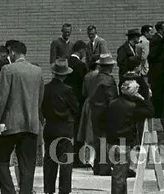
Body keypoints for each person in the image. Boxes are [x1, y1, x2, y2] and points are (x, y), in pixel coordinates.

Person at [0, 41, 44, 194]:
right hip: (31, 124)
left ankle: (8, 191)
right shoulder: (37, 71)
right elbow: (39, 99)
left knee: (1, 160)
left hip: (11, 124)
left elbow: (1, 100)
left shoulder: (7, 70)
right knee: (27, 165)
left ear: (13, 52)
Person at [107, 78, 154, 194]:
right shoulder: (133, 108)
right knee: (120, 177)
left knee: (118, 175)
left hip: (111, 142)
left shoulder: (112, 104)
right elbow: (150, 111)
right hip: (124, 143)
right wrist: (142, 99)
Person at [41, 58, 79, 194]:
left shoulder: (45, 88)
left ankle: (48, 189)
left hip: (50, 126)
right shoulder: (67, 90)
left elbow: (41, 108)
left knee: (49, 160)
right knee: (65, 161)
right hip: (65, 127)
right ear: (64, 75)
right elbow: (76, 108)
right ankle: (64, 190)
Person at [90, 53, 118, 176]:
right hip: (105, 113)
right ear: (109, 67)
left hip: (95, 112)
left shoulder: (93, 78)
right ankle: (104, 167)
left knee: (98, 140)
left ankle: (97, 166)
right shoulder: (109, 80)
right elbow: (112, 99)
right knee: (105, 140)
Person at [64, 40, 88, 168]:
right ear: (82, 50)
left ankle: (67, 156)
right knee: (78, 129)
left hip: (65, 101)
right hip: (78, 101)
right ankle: (78, 159)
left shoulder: (66, 62)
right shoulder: (81, 65)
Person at [148, 21, 164, 117]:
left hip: (158, 71)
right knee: (158, 94)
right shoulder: (157, 40)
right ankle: (157, 114)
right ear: (160, 30)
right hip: (157, 72)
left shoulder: (160, 39)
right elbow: (152, 56)